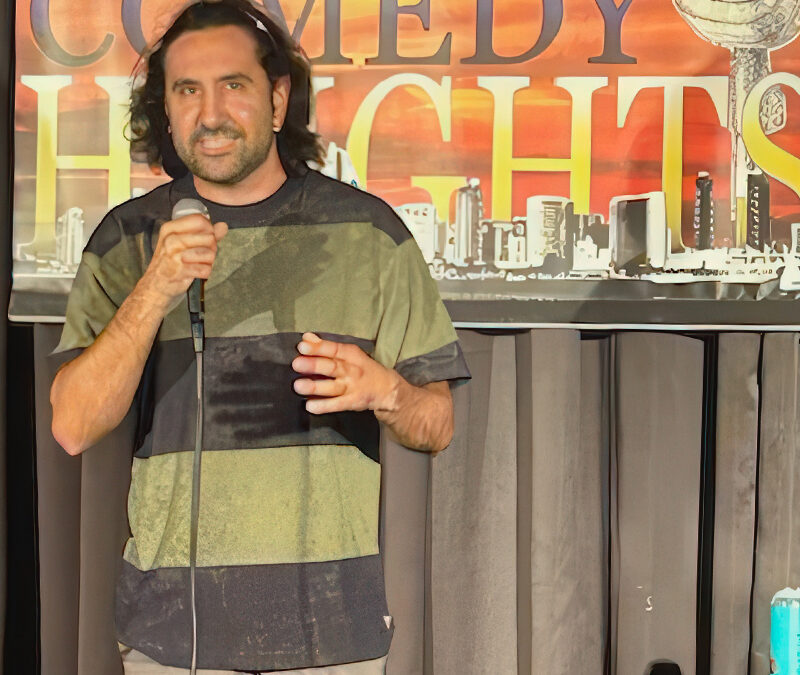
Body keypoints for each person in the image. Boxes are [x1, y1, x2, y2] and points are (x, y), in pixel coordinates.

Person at [48, 1, 470, 673]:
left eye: (233, 85)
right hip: (174, 643)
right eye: (187, 91)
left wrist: (386, 392)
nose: (210, 113)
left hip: (330, 639)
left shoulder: (369, 234)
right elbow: (72, 426)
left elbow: (437, 423)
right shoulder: (127, 240)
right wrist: (154, 289)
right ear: (167, 110)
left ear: (277, 101)